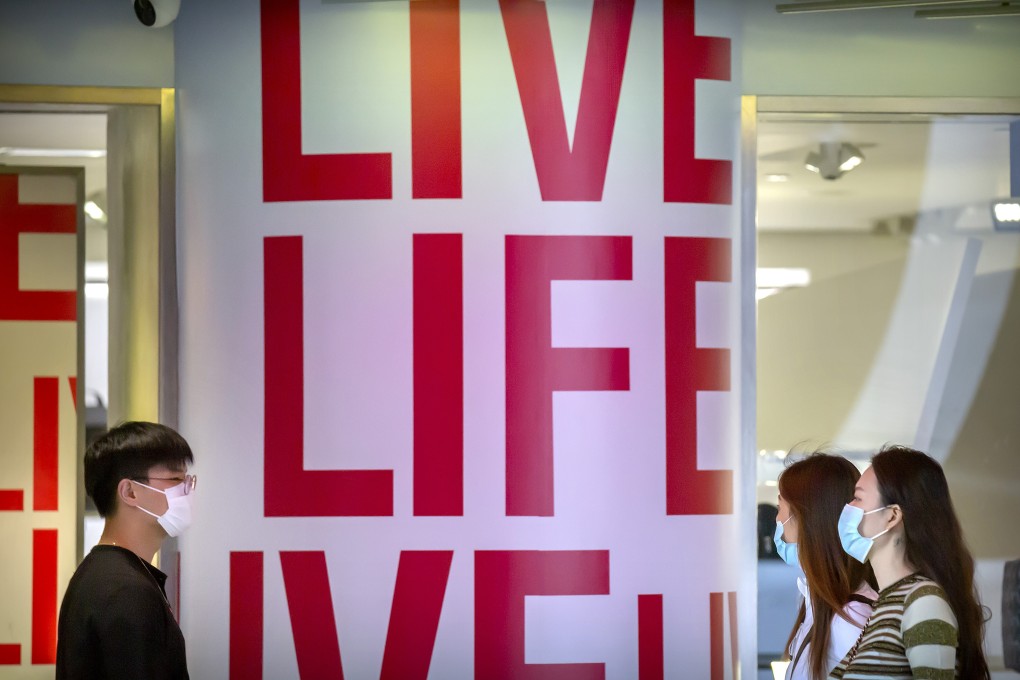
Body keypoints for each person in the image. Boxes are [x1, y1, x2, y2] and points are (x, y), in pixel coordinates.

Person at [830, 445, 989, 680]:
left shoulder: (923, 601)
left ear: (892, 516)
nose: (848, 508)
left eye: (857, 498)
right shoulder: (887, 603)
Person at [56, 421, 196, 680]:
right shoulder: (126, 590)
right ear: (130, 492)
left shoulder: (104, 574)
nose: (186, 491)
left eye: (188, 480)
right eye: (176, 479)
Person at [774, 453, 878, 680]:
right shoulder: (820, 603)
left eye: (780, 506)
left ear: (806, 518)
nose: (778, 519)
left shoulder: (852, 620)